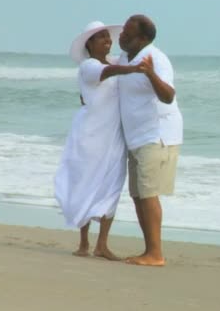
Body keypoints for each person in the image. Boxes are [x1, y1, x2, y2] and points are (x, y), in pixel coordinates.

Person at [55, 21, 146, 260]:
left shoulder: (117, 61)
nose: (107, 40)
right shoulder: (89, 65)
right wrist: (133, 70)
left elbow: (125, 62)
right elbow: (105, 74)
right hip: (91, 135)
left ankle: (102, 245)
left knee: (112, 185)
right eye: (100, 37)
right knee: (87, 182)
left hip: (115, 135)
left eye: (108, 36)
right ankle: (84, 243)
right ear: (90, 44)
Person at [117, 15, 183, 266]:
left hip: (157, 134)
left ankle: (156, 254)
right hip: (135, 136)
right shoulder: (125, 58)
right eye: (123, 30)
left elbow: (168, 96)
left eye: (127, 33)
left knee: (148, 192)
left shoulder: (157, 58)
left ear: (143, 39)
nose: (121, 36)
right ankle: (149, 250)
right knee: (137, 194)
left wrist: (151, 74)